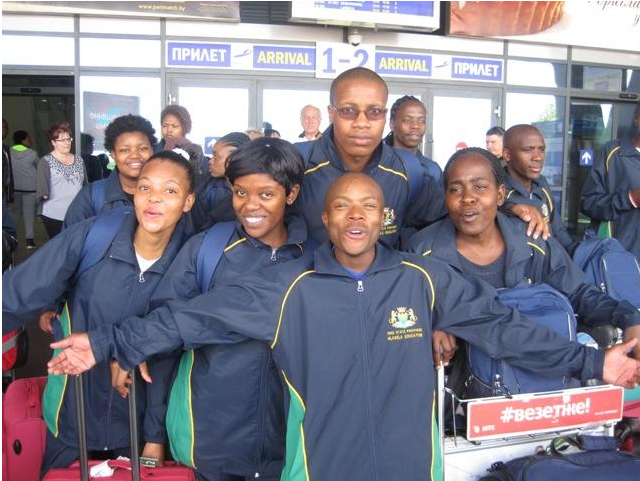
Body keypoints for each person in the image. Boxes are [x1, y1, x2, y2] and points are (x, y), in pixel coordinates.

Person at [48, 172, 640, 481]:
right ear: (325, 218)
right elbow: (193, 318)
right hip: (319, 469)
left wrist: (595, 363)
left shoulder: (423, 278)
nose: (355, 217)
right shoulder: (288, 287)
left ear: (384, 218)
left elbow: (502, 326)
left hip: (412, 469)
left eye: (367, 207)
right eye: (341, 207)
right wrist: (104, 342)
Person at [3, 151, 196, 477]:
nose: (154, 199)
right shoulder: (95, 236)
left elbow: (173, 353)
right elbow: (18, 293)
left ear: (188, 201)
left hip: (138, 426)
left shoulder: (191, 262)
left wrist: (155, 435)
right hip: (71, 415)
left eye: (170, 190)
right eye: (146, 187)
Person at [137, 137, 309, 480]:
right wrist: (154, 435)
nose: (250, 205)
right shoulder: (207, 250)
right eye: (240, 192)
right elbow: (164, 344)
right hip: (212, 442)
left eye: (266, 194)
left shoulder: (313, 259)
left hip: (288, 445)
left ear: (291, 194)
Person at [405, 147, 640, 367]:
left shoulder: (532, 240)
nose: (467, 198)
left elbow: (578, 292)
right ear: (445, 197)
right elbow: (405, 316)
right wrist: (431, 324)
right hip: (460, 383)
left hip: (537, 376)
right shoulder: (422, 252)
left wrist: (629, 318)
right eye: (455, 189)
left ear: (500, 195)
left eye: (480, 187)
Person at [295, 67, 547, 248]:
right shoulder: (298, 164)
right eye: (349, 111)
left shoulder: (408, 170)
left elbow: (451, 213)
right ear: (331, 113)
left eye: (374, 112)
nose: (362, 122)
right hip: (306, 294)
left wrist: (510, 209)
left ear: (385, 116)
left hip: (383, 296)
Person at [64, 115, 157, 227]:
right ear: (113, 154)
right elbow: (72, 237)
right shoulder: (90, 197)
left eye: (142, 148)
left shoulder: (167, 194)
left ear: (152, 150)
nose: (135, 155)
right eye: (125, 150)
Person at [501, 124, 577, 254]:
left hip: (555, 261)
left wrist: (575, 254)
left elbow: (558, 231)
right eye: (528, 150)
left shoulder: (541, 184)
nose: (538, 157)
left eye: (541, 149)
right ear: (507, 155)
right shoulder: (496, 189)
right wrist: (511, 208)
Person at [581, 100, 640, 260]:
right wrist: (630, 199)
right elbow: (588, 203)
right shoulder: (613, 153)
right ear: (637, 119)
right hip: (621, 259)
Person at [191, 132, 249, 232]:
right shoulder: (212, 187)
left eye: (216, 157)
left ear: (234, 159)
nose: (210, 161)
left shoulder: (219, 191)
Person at [36, 122, 86, 238]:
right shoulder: (45, 161)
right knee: (59, 245)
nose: (67, 143)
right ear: (53, 142)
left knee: (76, 243)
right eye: (62, 140)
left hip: (77, 213)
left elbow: (85, 186)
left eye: (68, 139)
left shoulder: (79, 160)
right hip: (54, 214)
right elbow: (42, 191)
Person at [384, 95, 443, 184]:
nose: (416, 126)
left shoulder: (433, 170)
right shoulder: (376, 161)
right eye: (407, 120)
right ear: (392, 124)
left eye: (422, 121)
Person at [157, 104, 206, 177]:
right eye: (165, 126)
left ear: (185, 128)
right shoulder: (154, 150)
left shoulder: (195, 151)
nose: (169, 130)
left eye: (174, 126)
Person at [10, 130, 39, 249]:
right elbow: (39, 166)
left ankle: (12, 236)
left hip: (15, 188)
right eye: (28, 138)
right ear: (23, 140)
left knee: (15, 213)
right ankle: (29, 240)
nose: (30, 140)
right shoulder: (32, 153)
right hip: (30, 188)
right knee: (29, 213)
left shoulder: (9, 152)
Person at [2, 118, 14, 204]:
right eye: (3, 127)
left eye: (6, 127)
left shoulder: (5, 148)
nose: (5, 130)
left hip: (5, 190)